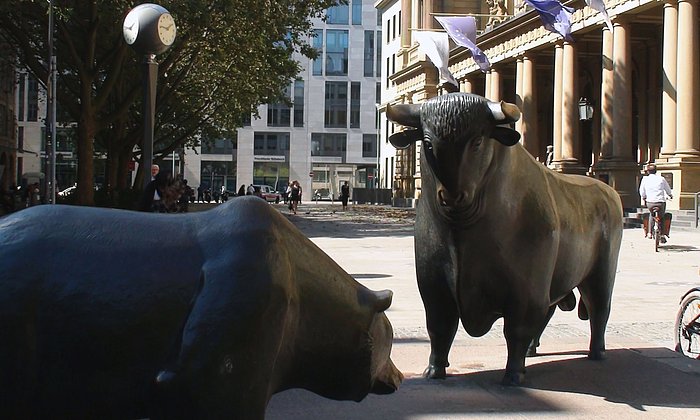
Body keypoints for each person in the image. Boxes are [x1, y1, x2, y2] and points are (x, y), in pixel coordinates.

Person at [639, 163, 673, 242]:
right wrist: (670, 195)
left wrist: (644, 197)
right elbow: (667, 189)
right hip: (660, 202)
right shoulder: (661, 179)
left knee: (652, 214)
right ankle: (663, 234)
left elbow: (642, 191)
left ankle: (650, 232)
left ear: (647, 171)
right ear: (656, 171)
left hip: (650, 202)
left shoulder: (645, 179)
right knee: (662, 216)